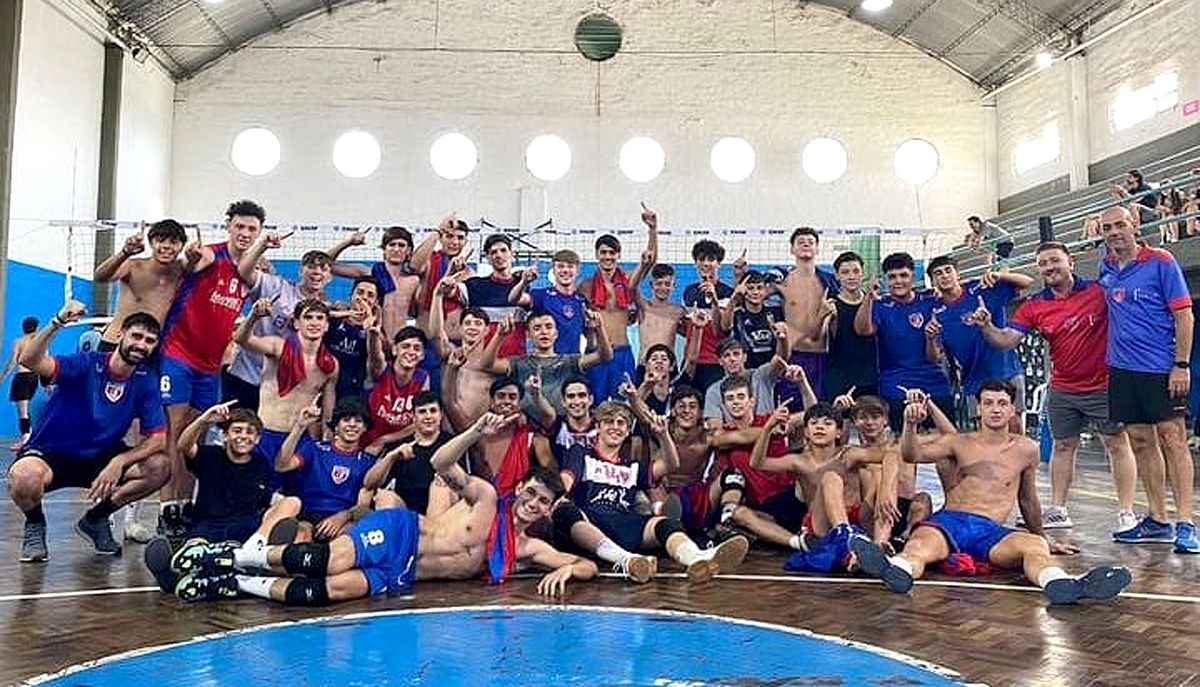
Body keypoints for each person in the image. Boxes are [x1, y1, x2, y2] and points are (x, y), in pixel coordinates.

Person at [168, 416, 599, 603]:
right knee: (329, 561)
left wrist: (566, 571)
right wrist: (474, 432)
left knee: (331, 591)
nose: (533, 504)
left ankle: (235, 583)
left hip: (403, 573)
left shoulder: (525, 548)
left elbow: (586, 566)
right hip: (402, 532)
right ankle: (229, 556)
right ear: (519, 488)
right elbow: (440, 463)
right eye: (530, 494)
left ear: (548, 510)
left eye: (542, 502)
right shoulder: (486, 497)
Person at [852, 379, 1134, 605]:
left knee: (1034, 547)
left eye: (1002, 403)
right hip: (950, 523)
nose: (995, 409)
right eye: (988, 403)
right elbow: (911, 455)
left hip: (990, 532)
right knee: (918, 548)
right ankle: (896, 569)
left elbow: (1027, 499)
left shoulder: (1026, 449)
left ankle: (1060, 583)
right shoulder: (958, 442)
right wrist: (911, 425)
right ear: (979, 409)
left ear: (1012, 410)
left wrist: (1043, 536)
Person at [974, 241, 1137, 533]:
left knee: (1116, 444)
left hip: (1104, 385)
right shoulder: (1034, 305)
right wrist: (986, 326)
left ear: (1070, 263)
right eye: (1043, 264)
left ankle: (1126, 513)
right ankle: (1059, 510)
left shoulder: (1098, 292)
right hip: (1063, 388)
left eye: (1054, 261)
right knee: (1063, 446)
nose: (1049, 267)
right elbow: (1006, 340)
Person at [8, 304, 168, 561]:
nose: (141, 345)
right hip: (51, 454)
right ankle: (35, 523)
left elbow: (158, 439)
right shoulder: (86, 364)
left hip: (100, 457)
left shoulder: (146, 381)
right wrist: (57, 321)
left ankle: (95, 519)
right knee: (24, 476)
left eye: (149, 341)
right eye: (136, 336)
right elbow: (29, 360)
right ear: (120, 335)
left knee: (159, 467)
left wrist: (119, 461)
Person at [157, 199, 263, 537]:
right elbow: (191, 262)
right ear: (228, 225)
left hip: (210, 364)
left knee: (197, 437)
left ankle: (187, 505)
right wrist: (191, 257)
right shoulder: (209, 255)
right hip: (178, 353)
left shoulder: (252, 271)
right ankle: (167, 509)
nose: (245, 233)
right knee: (175, 430)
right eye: (240, 226)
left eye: (252, 229)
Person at [554, 401, 749, 583]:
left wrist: (663, 435)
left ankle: (697, 559)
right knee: (565, 512)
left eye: (621, 423)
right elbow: (568, 477)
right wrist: (561, 495)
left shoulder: (633, 467)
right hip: (590, 523)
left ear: (628, 431)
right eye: (609, 422)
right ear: (598, 427)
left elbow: (671, 465)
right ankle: (626, 561)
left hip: (623, 522)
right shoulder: (581, 453)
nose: (615, 427)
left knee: (666, 523)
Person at [1096, 206, 1196, 553]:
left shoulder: (1161, 261)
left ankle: (1186, 523)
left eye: (1119, 225)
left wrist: (1181, 365)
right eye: (1107, 227)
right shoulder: (1105, 267)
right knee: (1140, 441)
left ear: (1134, 225)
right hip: (1122, 370)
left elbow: (1185, 317)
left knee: (1173, 439)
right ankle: (1158, 519)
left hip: (1161, 368)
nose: (1114, 232)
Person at [749, 403, 893, 573]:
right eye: (814, 423)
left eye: (827, 423)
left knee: (880, 475)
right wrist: (768, 428)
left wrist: (885, 492)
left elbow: (891, 456)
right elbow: (757, 463)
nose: (820, 427)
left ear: (839, 432)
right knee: (830, 477)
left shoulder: (849, 454)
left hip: (857, 517)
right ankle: (845, 534)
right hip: (821, 524)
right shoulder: (799, 461)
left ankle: (877, 546)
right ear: (806, 432)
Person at [234, 297, 339, 486]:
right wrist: (254, 316)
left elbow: (328, 409)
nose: (314, 323)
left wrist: (325, 437)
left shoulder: (330, 365)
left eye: (320, 318)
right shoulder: (278, 347)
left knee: (293, 495)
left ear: (326, 326)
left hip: (300, 438)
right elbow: (241, 339)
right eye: (308, 317)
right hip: (266, 433)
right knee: (254, 491)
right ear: (297, 323)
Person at [230, 232, 334, 410]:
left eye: (323, 269)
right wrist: (263, 245)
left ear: (330, 277)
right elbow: (243, 272)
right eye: (311, 266)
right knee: (235, 425)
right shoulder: (276, 287)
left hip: (279, 385)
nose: (317, 272)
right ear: (300, 270)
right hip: (246, 374)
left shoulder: (325, 312)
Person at [925, 254, 1032, 426]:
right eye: (938, 273)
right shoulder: (934, 311)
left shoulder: (982, 289)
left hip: (1006, 370)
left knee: (1014, 425)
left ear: (957, 274)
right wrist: (930, 338)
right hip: (974, 380)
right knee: (984, 433)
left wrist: (1000, 275)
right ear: (932, 282)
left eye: (948, 270)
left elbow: (1027, 282)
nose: (944, 275)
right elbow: (934, 357)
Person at [854, 252, 953, 431]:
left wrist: (931, 338)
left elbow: (934, 357)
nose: (898, 281)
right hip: (896, 383)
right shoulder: (880, 305)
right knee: (903, 439)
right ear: (886, 280)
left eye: (903, 275)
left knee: (946, 440)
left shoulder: (930, 301)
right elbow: (862, 330)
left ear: (913, 277)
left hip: (934, 381)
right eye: (892, 277)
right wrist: (868, 295)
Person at [580, 204, 657, 401]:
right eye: (604, 252)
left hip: (622, 352)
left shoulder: (628, 281)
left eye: (612, 253)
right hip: (595, 352)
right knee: (595, 404)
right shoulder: (586, 286)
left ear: (618, 255)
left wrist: (652, 229)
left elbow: (649, 261)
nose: (608, 257)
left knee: (625, 404)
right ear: (597, 255)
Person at [275, 399, 377, 541]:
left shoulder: (368, 462)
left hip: (343, 520)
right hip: (307, 517)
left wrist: (342, 517)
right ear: (336, 426)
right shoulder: (314, 449)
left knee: (351, 535)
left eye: (358, 421)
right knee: (301, 534)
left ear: (365, 427)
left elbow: (362, 505)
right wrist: (299, 427)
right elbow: (281, 465)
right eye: (346, 420)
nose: (352, 424)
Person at [480, 310, 612, 419]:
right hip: (526, 427)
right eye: (537, 328)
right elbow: (487, 365)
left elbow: (605, 356)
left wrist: (599, 329)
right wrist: (500, 335)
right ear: (529, 335)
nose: (544, 332)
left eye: (549, 327)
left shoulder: (570, 361)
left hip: (560, 426)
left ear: (556, 333)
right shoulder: (518, 362)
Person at [92, 220, 187, 351]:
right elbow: (99, 277)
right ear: (151, 243)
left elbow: (205, 260)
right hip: (116, 343)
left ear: (182, 246)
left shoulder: (182, 271)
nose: (166, 246)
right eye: (160, 241)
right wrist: (125, 252)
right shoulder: (133, 266)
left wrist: (196, 253)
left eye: (173, 242)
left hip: (150, 347)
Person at [774, 227, 840, 406]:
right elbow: (753, 295)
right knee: (791, 411)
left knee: (819, 411)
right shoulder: (782, 280)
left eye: (811, 242)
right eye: (801, 242)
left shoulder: (828, 281)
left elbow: (838, 317)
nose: (806, 245)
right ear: (792, 249)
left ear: (817, 249)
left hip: (821, 356)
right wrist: (739, 275)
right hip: (793, 355)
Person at [363, 391, 454, 516]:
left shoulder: (452, 444)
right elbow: (368, 483)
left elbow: (465, 485)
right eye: (422, 412)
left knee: (440, 489)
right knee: (384, 496)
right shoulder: (400, 446)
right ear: (413, 417)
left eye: (433, 411)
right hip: (406, 512)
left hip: (442, 513)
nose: (428, 416)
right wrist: (391, 457)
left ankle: (432, 528)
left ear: (441, 415)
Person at [326, 226, 421, 342]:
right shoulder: (370, 273)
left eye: (401, 245)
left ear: (409, 250)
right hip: (371, 340)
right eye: (392, 244)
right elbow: (326, 265)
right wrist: (349, 242)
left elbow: (415, 312)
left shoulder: (414, 281)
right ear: (384, 249)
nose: (396, 249)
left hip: (399, 342)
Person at [815, 252, 878, 402]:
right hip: (838, 378)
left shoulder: (874, 302)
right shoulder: (830, 305)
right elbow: (819, 340)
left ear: (862, 274)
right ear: (837, 276)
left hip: (868, 378)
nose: (851, 276)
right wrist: (822, 317)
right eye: (845, 272)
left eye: (856, 271)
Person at [457, 234, 528, 357]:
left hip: (515, 361)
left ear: (512, 254)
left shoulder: (525, 286)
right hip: (483, 361)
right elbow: (444, 290)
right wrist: (453, 271)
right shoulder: (474, 286)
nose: (499, 255)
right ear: (488, 258)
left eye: (503, 250)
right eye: (493, 252)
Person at [360, 326, 430, 449]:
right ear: (394, 350)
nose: (411, 352)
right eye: (405, 346)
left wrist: (385, 440)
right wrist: (373, 335)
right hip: (368, 444)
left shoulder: (423, 378)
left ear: (422, 355)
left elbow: (419, 421)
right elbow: (375, 356)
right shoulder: (381, 370)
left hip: (400, 444)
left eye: (417, 348)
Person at [508, 249, 588, 355]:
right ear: (553, 270)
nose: (565, 270)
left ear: (577, 271)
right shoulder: (542, 295)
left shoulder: (581, 301)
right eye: (560, 266)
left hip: (572, 361)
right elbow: (513, 299)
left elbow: (587, 333)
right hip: (546, 361)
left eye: (570, 266)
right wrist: (524, 282)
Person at [682, 239, 733, 392]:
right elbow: (686, 328)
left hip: (714, 362)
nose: (706, 263)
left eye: (711, 259)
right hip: (690, 361)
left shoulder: (726, 292)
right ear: (695, 263)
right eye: (701, 259)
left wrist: (714, 299)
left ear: (719, 264)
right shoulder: (689, 292)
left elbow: (722, 330)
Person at [324, 277, 384, 404]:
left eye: (370, 295)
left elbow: (377, 368)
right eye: (360, 292)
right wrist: (338, 314)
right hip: (323, 385)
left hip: (353, 393)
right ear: (351, 295)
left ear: (376, 302)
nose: (364, 298)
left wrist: (371, 332)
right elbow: (308, 312)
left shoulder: (376, 332)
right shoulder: (331, 320)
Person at [722, 271, 785, 370]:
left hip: (773, 369)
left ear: (765, 289)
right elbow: (725, 327)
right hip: (747, 370)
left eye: (759, 288)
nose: (755, 292)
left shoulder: (776, 311)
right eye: (750, 288)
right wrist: (734, 298)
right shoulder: (737, 313)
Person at [3, 316, 40, 450]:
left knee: (22, 413)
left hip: (22, 378)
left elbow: (13, 361)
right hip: (34, 378)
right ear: (36, 328)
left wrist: (3, 377)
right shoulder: (39, 342)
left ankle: (25, 440)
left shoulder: (18, 341)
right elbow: (44, 359)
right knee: (26, 408)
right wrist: (47, 381)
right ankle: (28, 436)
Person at [636, 263, 684, 364]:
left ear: (673, 285)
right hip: (645, 364)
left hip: (668, 365)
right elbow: (631, 287)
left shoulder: (678, 311)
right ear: (651, 284)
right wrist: (645, 265)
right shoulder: (643, 306)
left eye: (667, 284)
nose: (663, 288)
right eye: (658, 283)